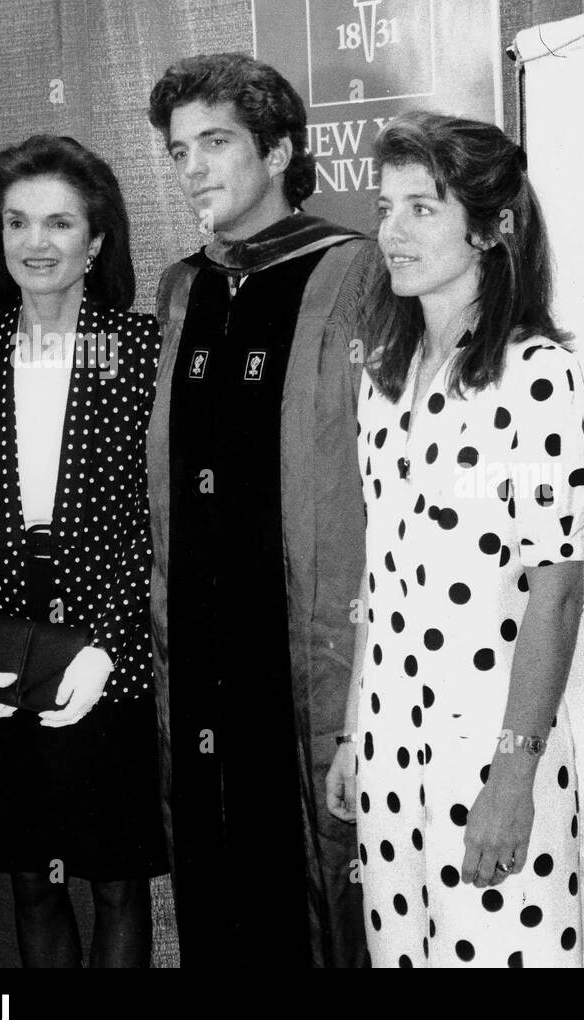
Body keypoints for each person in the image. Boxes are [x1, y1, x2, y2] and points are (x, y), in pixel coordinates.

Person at [326, 111, 584, 967]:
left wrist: (513, 776)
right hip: (386, 746)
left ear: (492, 227)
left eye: (421, 208)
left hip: (488, 750)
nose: (391, 232)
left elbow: (557, 587)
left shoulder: (537, 376)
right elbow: (383, 572)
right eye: (384, 207)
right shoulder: (386, 376)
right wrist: (349, 735)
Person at [0, 134, 167, 967]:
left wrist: (111, 644)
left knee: (118, 877)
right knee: (32, 876)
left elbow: (151, 518)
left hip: (109, 638)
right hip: (2, 644)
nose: (36, 242)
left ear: (96, 241)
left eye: (60, 223)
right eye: (17, 222)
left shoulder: (138, 349)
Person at [146, 53, 372, 967]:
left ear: (278, 149)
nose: (194, 167)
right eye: (178, 150)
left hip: (303, 626)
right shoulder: (180, 286)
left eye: (216, 142)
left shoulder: (351, 272)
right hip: (198, 628)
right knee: (209, 850)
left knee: (305, 869)